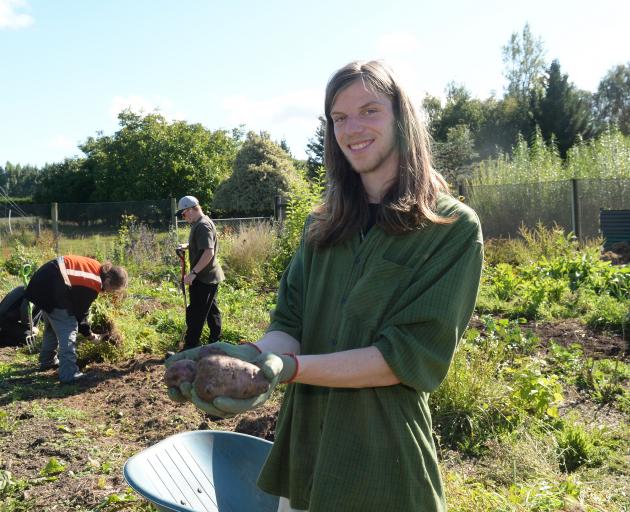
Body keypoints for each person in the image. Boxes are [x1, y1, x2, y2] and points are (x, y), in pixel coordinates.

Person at [167, 60, 483, 511]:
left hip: (382, 462)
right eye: (338, 118)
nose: (352, 128)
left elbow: (405, 358)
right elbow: (289, 322)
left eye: (369, 111)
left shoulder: (450, 229)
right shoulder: (322, 225)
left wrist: (286, 368)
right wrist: (245, 363)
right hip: (304, 454)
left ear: (402, 118)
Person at [25, 255, 128, 383]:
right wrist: (90, 336)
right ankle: (69, 374)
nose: (109, 292)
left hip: (44, 283)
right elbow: (80, 313)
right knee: (68, 327)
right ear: (108, 279)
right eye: (112, 289)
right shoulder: (93, 282)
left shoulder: (96, 267)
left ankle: (47, 361)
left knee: (53, 326)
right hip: (50, 286)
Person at [175, 195, 225, 350]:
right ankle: (215, 342)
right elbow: (202, 244)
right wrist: (187, 246)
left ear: (190, 210)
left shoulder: (203, 226)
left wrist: (193, 273)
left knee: (196, 313)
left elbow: (208, 252)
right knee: (211, 311)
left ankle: (190, 346)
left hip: (204, 278)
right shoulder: (201, 223)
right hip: (209, 276)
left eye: (183, 214)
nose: (183, 218)